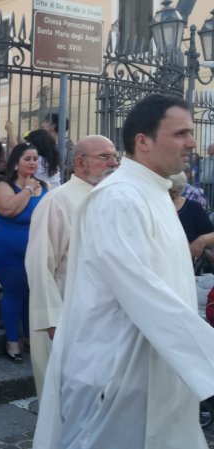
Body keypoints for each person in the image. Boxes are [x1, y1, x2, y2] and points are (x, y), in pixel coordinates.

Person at [33, 94, 214, 449]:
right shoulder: (119, 199)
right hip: (115, 376)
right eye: (180, 133)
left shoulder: (154, 193)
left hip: (154, 369)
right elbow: (145, 292)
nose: (192, 142)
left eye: (190, 132)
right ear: (142, 141)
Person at [24, 135, 119, 400]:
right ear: (80, 162)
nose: (113, 163)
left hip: (107, 318)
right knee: (69, 399)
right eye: (104, 157)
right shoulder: (58, 201)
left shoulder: (112, 198)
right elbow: (40, 264)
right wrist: (53, 320)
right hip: (69, 315)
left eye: (115, 156)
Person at [0, 143, 48, 362]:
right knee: (15, 293)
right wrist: (29, 190)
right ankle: (12, 340)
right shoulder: (3, 185)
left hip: (36, 249)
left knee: (32, 293)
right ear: (16, 162)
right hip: (8, 251)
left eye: (35, 159)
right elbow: (9, 209)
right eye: (28, 159)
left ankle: (29, 336)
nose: (33, 163)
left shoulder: (45, 185)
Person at [169, 171, 214, 261]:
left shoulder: (193, 208)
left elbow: (211, 233)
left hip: (189, 264)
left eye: (169, 189)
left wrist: (202, 240)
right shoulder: (155, 206)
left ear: (178, 189)